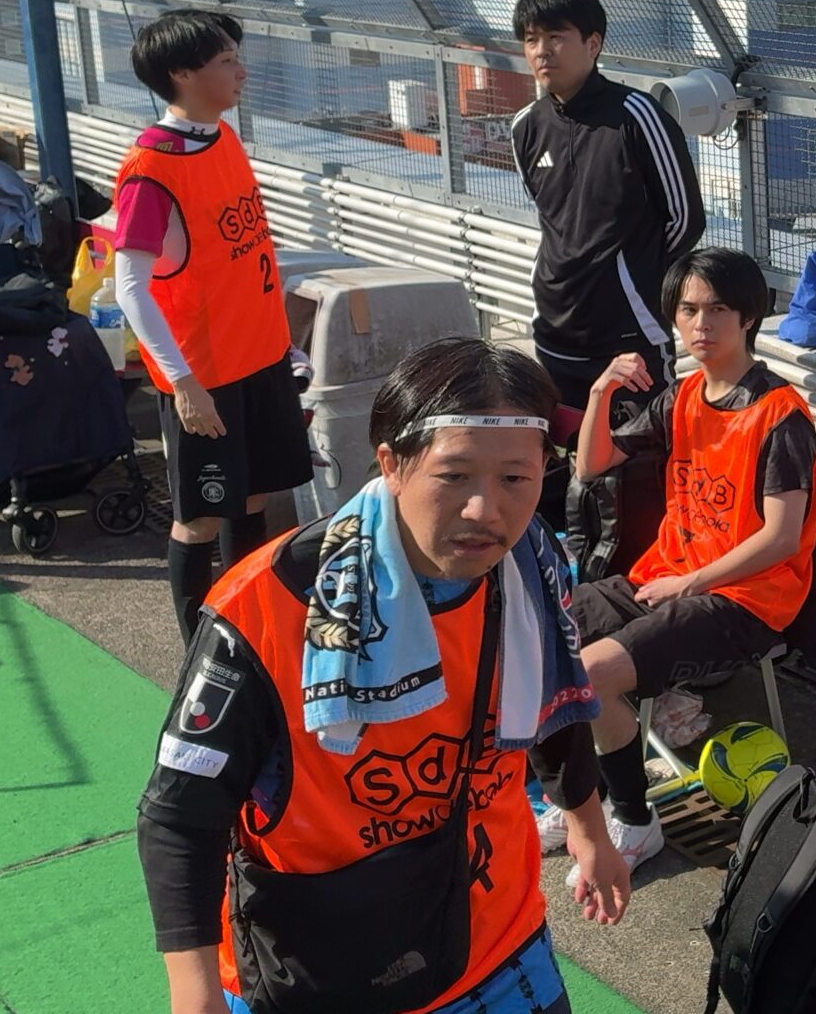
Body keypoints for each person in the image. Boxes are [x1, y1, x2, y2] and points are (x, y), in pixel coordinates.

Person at [136, 337, 629, 1014]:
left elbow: (555, 701)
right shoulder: (268, 605)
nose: (485, 510)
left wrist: (589, 830)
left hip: (496, 936)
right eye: (454, 475)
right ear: (392, 463)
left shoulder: (530, 564)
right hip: (319, 960)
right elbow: (180, 813)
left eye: (515, 479)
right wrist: (193, 995)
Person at [561, 246, 816, 869]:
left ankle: (634, 820)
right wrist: (600, 390)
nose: (701, 324)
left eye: (718, 309)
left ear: (749, 317)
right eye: (688, 310)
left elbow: (781, 538)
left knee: (589, 674)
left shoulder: (780, 415)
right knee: (541, 633)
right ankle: (582, 796)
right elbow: (591, 465)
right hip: (666, 575)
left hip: (746, 600)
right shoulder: (681, 396)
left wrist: (690, 583)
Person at [110, 9, 312, 644]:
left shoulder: (221, 137)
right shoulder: (151, 169)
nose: (241, 72)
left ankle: (245, 632)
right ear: (182, 74)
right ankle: (197, 648)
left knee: (252, 499)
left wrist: (285, 345)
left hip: (262, 357)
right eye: (227, 61)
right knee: (199, 516)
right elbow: (130, 287)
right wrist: (182, 382)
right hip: (208, 375)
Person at [506, 0, 705, 426]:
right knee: (563, 452)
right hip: (553, 331)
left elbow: (685, 220)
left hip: (629, 335)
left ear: (593, 44)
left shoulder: (637, 116)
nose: (542, 51)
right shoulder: (525, 127)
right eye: (531, 39)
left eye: (556, 36)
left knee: (644, 451)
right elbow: (551, 217)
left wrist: (632, 274)